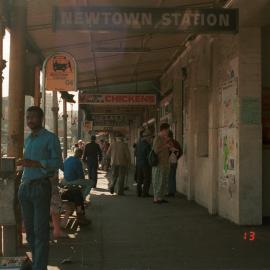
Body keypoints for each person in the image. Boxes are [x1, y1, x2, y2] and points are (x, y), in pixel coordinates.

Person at [17, 106, 62, 270]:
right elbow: (27, 164)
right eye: (28, 117)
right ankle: (36, 262)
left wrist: (36, 164)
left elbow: (57, 162)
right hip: (25, 187)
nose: (30, 120)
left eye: (33, 117)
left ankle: (39, 267)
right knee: (29, 231)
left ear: (41, 119)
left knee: (40, 230)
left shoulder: (51, 138)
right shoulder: (28, 139)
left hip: (40, 187)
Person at [152, 123, 170, 204]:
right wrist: (165, 146)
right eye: (167, 130)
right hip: (159, 163)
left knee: (163, 181)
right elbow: (155, 150)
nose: (168, 132)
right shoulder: (158, 138)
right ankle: (156, 198)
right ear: (163, 130)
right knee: (158, 180)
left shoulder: (164, 138)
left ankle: (161, 197)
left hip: (165, 162)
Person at [135, 130, 152, 197]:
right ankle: (145, 193)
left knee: (139, 178)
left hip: (138, 163)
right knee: (147, 178)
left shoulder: (138, 144)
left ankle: (139, 192)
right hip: (145, 164)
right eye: (149, 136)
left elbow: (135, 153)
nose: (150, 138)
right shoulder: (147, 145)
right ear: (145, 137)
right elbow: (149, 156)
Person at [168, 131, 183, 197]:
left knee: (169, 177)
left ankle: (170, 192)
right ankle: (172, 191)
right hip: (174, 162)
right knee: (173, 177)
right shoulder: (176, 142)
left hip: (168, 162)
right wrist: (177, 158)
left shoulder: (167, 143)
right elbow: (181, 152)